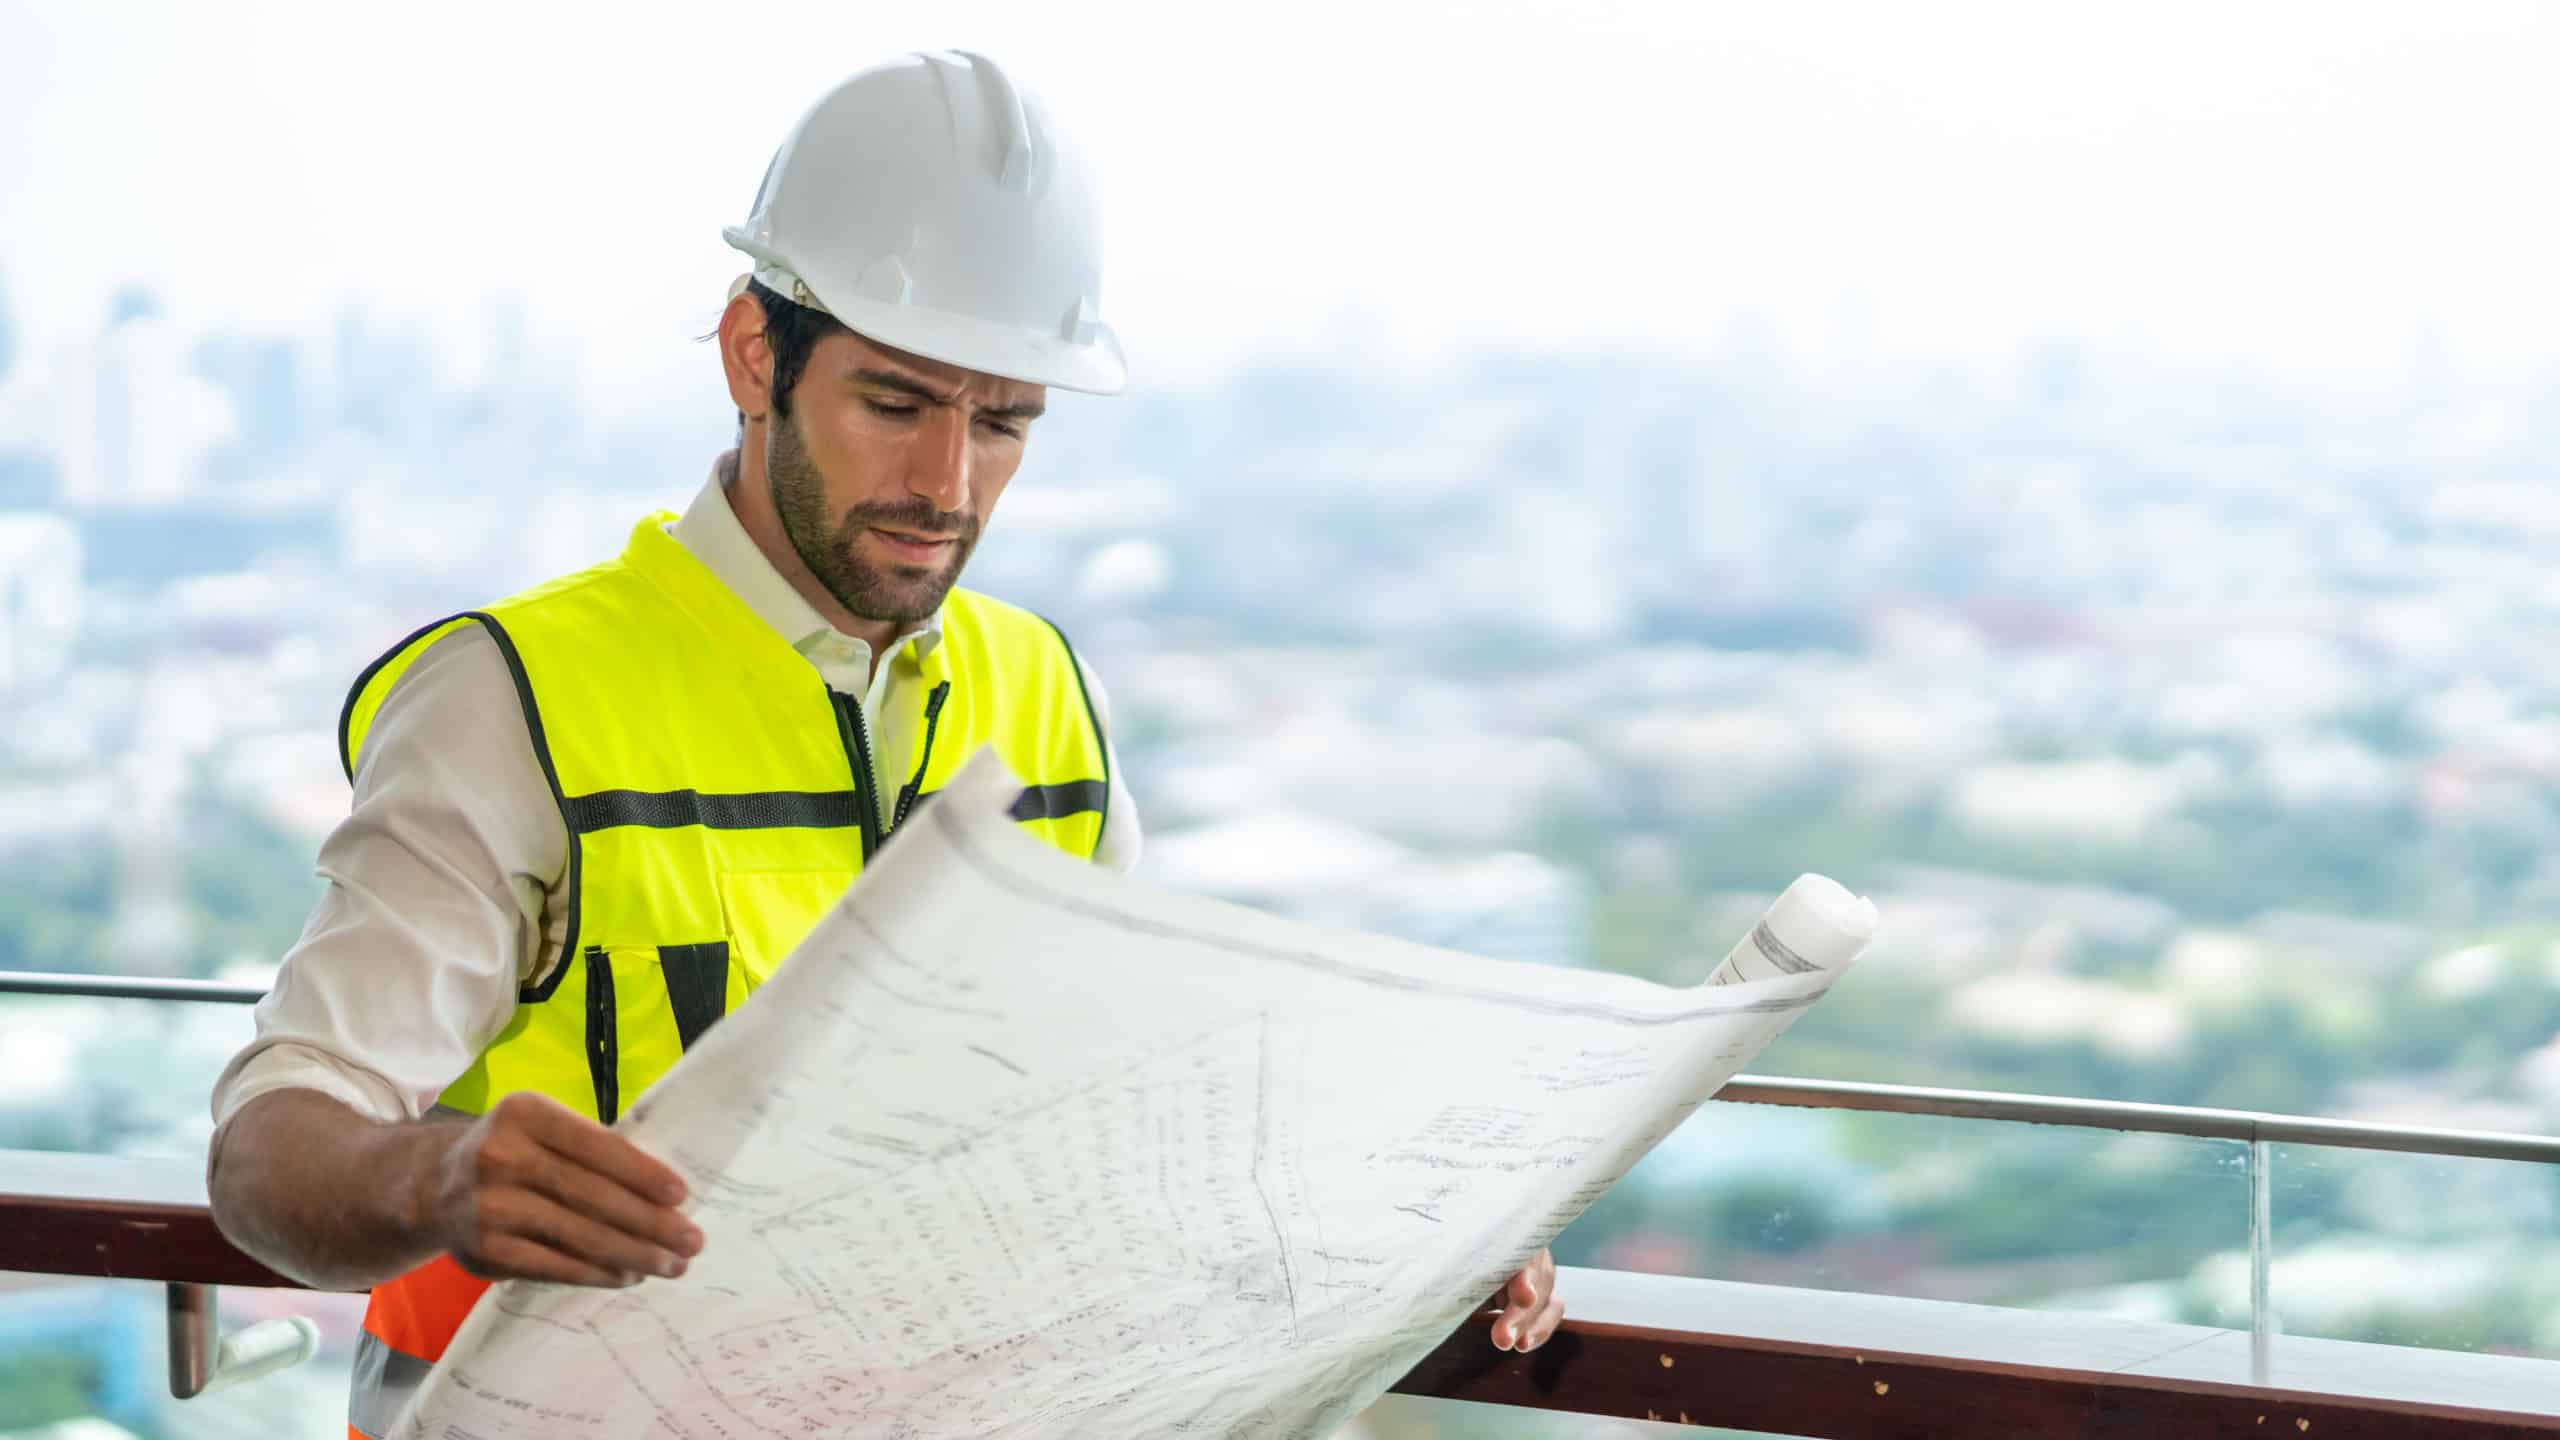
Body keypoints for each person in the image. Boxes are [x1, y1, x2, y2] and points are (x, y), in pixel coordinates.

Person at [203, 49, 1564, 1437]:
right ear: (756, 356)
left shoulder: (1039, 694)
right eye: (898, 404)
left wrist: (1395, 1243)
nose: (948, 485)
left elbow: (1146, 1117)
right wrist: (437, 1182)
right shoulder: (517, 698)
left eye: (1007, 422)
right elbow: (270, 1152)